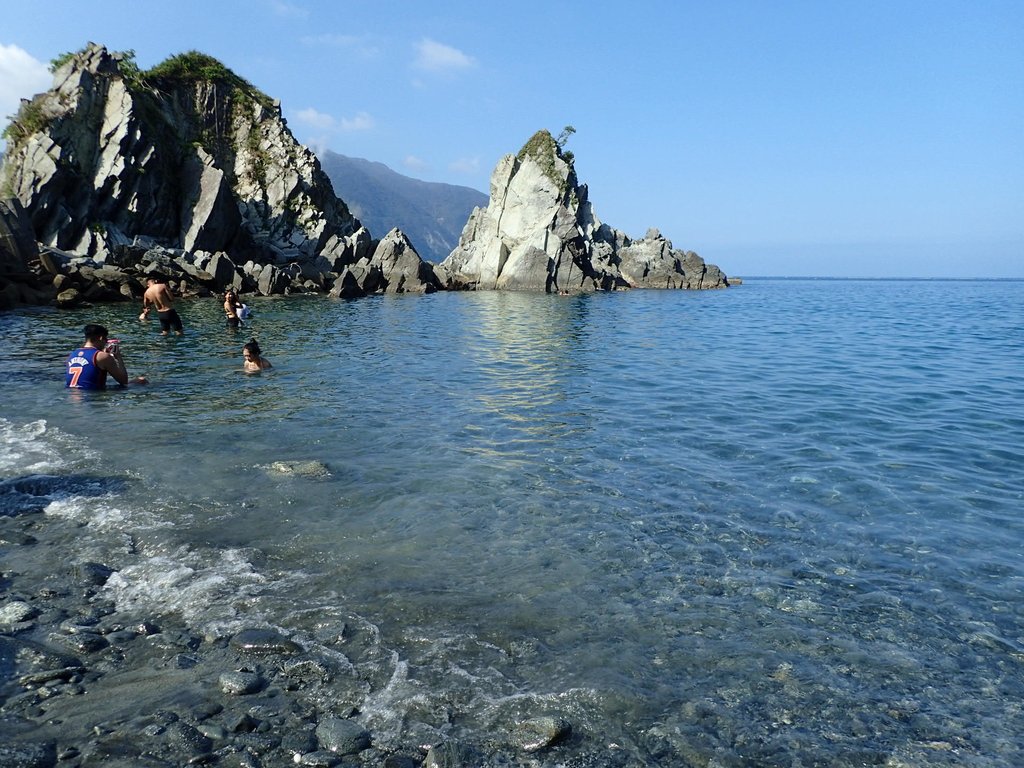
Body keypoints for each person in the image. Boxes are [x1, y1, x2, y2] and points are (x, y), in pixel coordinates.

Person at [65, 324, 148, 389]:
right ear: (101, 338)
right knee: (141, 380)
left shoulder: (72, 354)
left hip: (72, 393)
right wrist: (118, 357)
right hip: (92, 394)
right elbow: (124, 381)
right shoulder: (102, 356)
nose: (106, 342)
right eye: (106, 340)